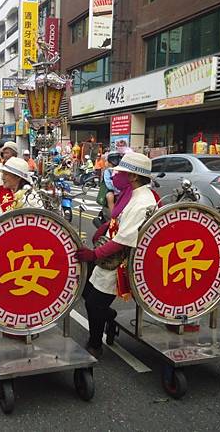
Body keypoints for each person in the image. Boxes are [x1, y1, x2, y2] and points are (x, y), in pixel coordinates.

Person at [75, 152, 157, 359]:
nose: (116, 177)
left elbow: (124, 240)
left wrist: (93, 254)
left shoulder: (143, 202)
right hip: (109, 254)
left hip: (118, 261)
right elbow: (119, 220)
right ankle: (107, 316)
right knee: (83, 285)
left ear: (134, 177)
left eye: (121, 173)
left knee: (94, 303)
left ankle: (95, 345)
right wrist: (105, 226)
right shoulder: (132, 194)